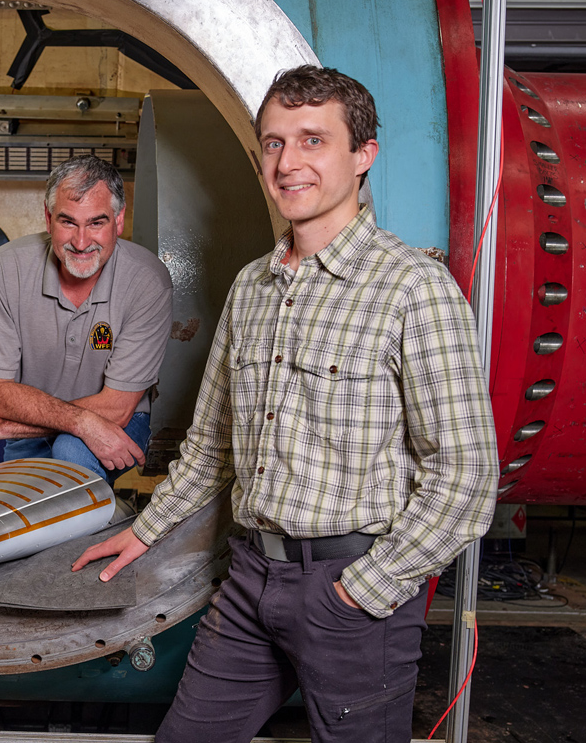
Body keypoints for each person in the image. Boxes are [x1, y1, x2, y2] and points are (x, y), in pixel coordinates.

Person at [73, 65, 498, 742]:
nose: (287, 162)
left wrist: (365, 588)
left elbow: (467, 479)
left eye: (312, 140)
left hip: (351, 588)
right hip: (250, 579)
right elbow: (212, 446)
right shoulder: (253, 287)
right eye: (273, 143)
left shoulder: (414, 288)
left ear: (364, 156)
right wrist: (144, 532)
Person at [0, 154, 173, 482]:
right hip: (33, 430)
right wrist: (82, 421)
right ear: (48, 218)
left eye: (96, 223)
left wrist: (3, 427)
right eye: (68, 221)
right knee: (15, 518)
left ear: (118, 220)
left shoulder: (147, 280)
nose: (81, 242)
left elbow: (117, 407)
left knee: (70, 451)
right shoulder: (4, 269)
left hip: (117, 420)